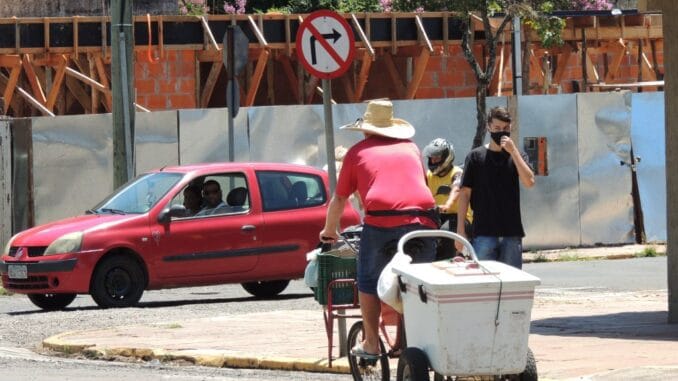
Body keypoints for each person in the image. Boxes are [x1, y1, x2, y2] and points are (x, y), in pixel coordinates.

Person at [319, 99, 438, 358]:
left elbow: (340, 199)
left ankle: (371, 342)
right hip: (424, 222)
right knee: (417, 285)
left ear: (366, 128)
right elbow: (420, 185)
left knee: (368, 280)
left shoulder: (358, 152)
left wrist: (329, 230)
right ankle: (415, 340)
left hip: (382, 223)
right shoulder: (412, 148)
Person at [455, 106, 535, 269]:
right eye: (497, 128)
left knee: (512, 285)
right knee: (484, 284)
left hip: (511, 233)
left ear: (511, 127)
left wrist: (513, 152)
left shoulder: (517, 156)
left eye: (505, 128)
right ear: (489, 127)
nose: (501, 132)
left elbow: (529, 182)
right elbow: (464, 194)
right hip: (483, 233)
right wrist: (460, 230)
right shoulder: (475, 157)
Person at [422, 138, 473, 259]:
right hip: (438, 215)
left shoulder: (457, 173)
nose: (433, 160)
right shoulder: (429, 175)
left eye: (437, 157)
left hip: (460, 217)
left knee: (446, 233)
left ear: (447, 157)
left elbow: (456, 188)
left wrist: (448, 205)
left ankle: (451, 259)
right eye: (431, 157)